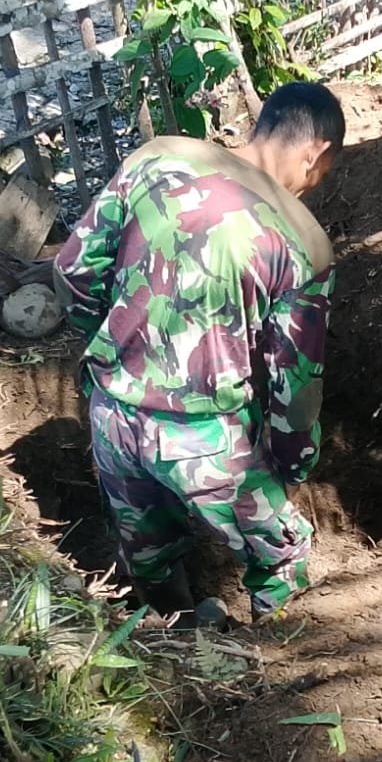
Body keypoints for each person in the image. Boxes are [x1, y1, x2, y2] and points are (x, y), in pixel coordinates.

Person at [54, 83, 345, 620]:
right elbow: (294, 380)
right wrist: (291, 464)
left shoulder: (158, 156)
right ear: (316, 151)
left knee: (149, 553)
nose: (311, 187)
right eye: (320, 175)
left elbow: (73, 270)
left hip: (112, 415)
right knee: (282, 554)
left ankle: (177, 640)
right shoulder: (304, 241)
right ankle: (274, 655)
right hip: (204, 437)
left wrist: (109, 342)